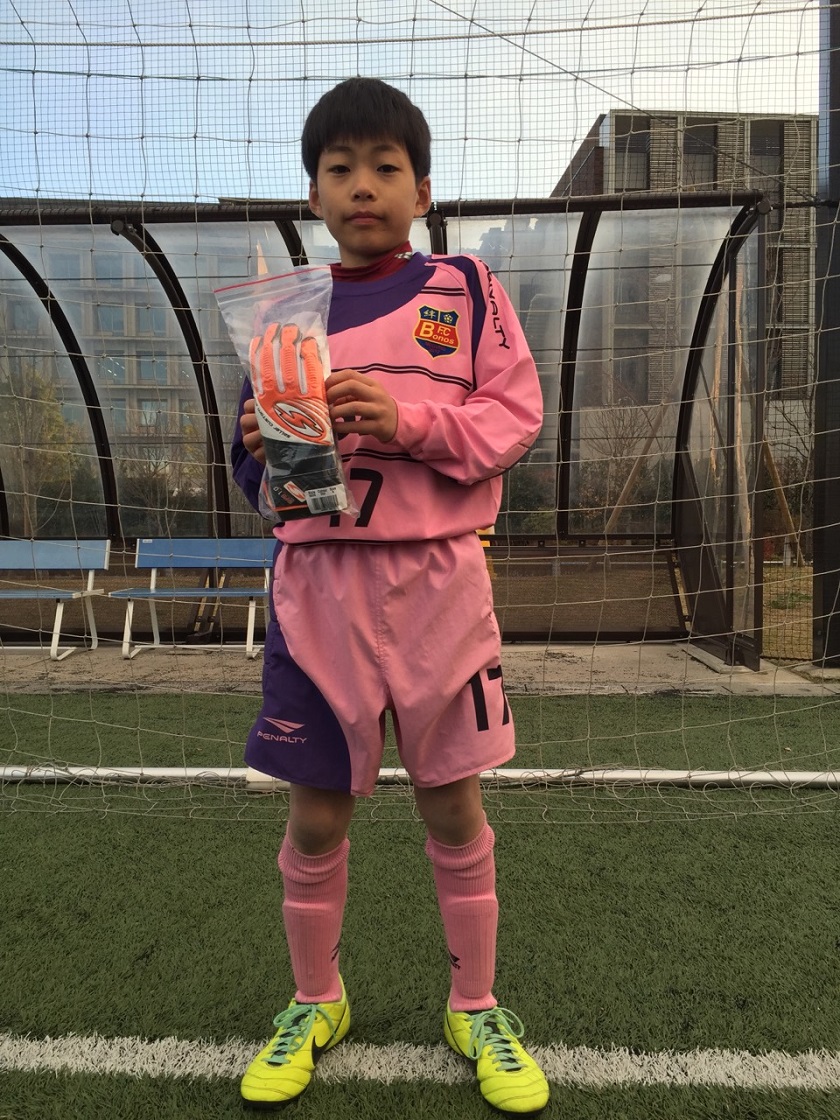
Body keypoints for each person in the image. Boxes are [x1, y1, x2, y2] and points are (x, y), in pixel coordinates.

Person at [231, 77, 550, 1116]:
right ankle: (314, 999)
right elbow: (258, 478)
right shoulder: (283, 314)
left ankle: (476, 1003)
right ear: (313, 194)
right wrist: (258, 448)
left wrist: (407, 422)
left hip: (438, 582)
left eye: (385, 167)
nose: (362, 185)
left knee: (452, 801)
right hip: (316, 590)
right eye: (340, 169)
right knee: (317, 813)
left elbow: (514, 418)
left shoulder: (467, 287)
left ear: (423, 190)